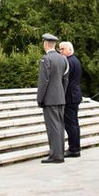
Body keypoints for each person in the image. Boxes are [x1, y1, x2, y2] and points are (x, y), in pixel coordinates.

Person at [37, 33, 68, 163]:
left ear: (45, 44)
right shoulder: (63, 59)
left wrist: (40, 99)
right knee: (60, 126)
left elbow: (43, 81)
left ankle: (55, 155)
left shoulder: (46, 59)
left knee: (53, 127)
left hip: (50, 99)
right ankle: (59, 152)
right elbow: (65, 79)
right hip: (60, 97)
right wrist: (62, 93)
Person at [58, 41, 82, 158]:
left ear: (70, 50)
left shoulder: (69, 62)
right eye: (60, 49)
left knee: (70, 123)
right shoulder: (74, 60)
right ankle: (74, 147)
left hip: (70, 96)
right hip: (74, 95)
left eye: (62, 49)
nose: (60, 52)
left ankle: (74, 149)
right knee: (73, 123)